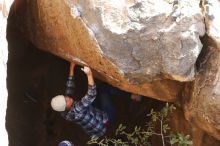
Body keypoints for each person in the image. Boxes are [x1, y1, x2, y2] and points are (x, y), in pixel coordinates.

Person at [51, 62, 108, 138]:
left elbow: (69, 88)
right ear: (65, 107)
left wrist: (71, 69)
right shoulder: (76, 110)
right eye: (66, 100)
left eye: (65, 97)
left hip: (91, 122)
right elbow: (91, 95)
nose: (68, 98)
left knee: (95, 100)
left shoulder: (64, 111)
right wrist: (89, 74)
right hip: (102, 124)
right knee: (104, 91)